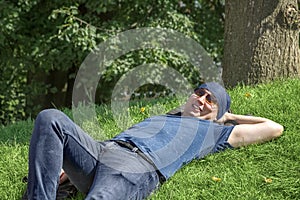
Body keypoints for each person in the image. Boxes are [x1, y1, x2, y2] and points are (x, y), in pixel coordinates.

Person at [25, 82, 283, 199]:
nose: (201, 100)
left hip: (136, 167)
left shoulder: (214, 133)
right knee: (50, 118)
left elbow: (274, 128)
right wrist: (67, 166)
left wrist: (228, 117)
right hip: (106, 150)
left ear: (218, 113)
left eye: (210, 100)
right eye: (199, 94)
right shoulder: (162, 118)